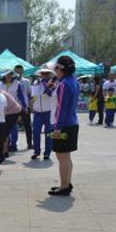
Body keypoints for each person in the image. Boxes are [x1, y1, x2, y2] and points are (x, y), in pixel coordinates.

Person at [49, 55, 79, 196]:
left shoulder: (64, 84)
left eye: (56, 68)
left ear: (61, 69)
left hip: (64, 124)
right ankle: (66, 183)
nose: (55, 71)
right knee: (66, 157)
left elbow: (61, 108)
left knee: (62, 157)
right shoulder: (73, 81)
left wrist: (57, 127)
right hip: (72, 122)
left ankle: (64, 186)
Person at [0, 70, 31, 151]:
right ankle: (5, 145)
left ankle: (13, 145)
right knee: (5, 128)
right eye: (7, 75)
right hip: (2, 108)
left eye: (10, 75)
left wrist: (25, 106)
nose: (9, 76)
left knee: (13, 127)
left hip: (14, 108)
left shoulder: (17, 84)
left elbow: (21, 96)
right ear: (4, 76)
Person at [30, 68, 56, 160]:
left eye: (46, 73)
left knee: (48, 133)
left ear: (49, 74)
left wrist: (47, 85)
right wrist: (31, 103)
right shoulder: (36, 82)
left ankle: (47, 152)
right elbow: (34, 95)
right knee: (36, 131)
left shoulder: (53, 83)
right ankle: (36, 151)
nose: (44, 75)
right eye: (43, 73)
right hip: (37, 112)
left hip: (48, 112)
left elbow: (50, 94)